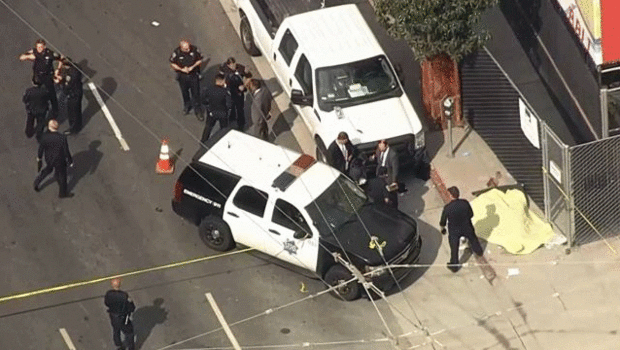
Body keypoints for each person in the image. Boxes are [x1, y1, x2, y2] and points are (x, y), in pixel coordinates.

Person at [439, 186, 484, 272]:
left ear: (451, 195)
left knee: (454, 248)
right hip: (467, 226)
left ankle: (454, 265)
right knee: (473, 239)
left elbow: (442, 222)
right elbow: (471, 214)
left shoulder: (448, 208)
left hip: (454, 230)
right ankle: (479, 251)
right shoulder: (465, 203)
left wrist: (442, 229)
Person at [19, 39, 62, 118]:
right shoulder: (35, 51)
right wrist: (25, 55)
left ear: (44, 47)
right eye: (38, 47)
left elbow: (61, 59)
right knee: (38, 92)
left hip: (47, 77)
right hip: (38, 76)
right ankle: (41, 105)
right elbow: (29, 53)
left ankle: (55, 110)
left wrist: (58, 70)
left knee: (52, 93)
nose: (39, 49)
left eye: (41, 47)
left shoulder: (50, 54)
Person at [34, 119, 74, 198]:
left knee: (47, 170)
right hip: (59, 160)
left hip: (49, 158)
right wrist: (70, 161)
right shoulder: (62, 138)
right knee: (62, 176)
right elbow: (66, 151)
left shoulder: (45, 137)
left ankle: (37, 182)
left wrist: (39, 158)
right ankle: (62, 193)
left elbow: (41, 149)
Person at [169, 40, 203, 120]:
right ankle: (187, 106)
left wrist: (192, 67)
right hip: (183, 76)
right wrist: (181, 69)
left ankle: (198, 110)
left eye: (188, 48)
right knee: (185, 92)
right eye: (186, 49)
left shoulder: (194, 50)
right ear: (181, 48)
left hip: (193, 75)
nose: (188, 50)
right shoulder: (177, 53)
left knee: (196, 93)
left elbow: (200, 60)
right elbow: (172, 64)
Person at [104, 278, 136, 350]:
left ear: (112, 285)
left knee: (116, 330)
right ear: (120, 285)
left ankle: (118, 345)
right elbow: (132, 307)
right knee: (129, 333)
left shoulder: (108, 294)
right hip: (123, 317)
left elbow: (106, 303)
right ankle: (131, 348)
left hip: (113, 316)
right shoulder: (124, 295)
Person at [55, 57, 83, 134]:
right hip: (77, 92)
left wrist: (60, 81)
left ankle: (74, 128)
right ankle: (78, 124)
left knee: (72, 112)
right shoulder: (75, 69)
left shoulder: (71, 75)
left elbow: (67, 86)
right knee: (77, 110)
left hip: (73, 95)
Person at [201, 73, 231, 142]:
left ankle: (203, 141)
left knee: (208, 127)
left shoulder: (209, 89)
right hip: (222, 113)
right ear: (222, 81)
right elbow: (229, 104)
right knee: (224, 128)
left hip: (211, 112)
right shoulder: (225, 91)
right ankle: (224, 141)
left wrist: (208, 106)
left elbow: (203, 99)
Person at [220, 57, 248, 130]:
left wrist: (244, 85)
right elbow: (221, 74)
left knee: (240, 108)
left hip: (239, 93)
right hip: (230, 92)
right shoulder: (224, 68)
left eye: (234, 64)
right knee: (231, 106)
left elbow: (248, 77)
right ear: (228, 65)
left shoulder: (240, 68)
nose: (234, 66)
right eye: (232, 65)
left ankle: (241, 124)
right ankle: (232, 117)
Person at [371, 140, 399, 208]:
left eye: (381, 146)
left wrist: (394, 181)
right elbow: (376, 158)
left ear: (386, 145)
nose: (380, 148)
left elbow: (395, 169)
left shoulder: (393, 154)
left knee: (391, 194)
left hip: (388, 175)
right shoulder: (379, 151)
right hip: (380, 174)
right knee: (382, 193)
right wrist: (372, 158)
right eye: (379, 146)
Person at [22, 77, 50, 141]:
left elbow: (25, 99)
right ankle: (39, 135)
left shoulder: (29, 91)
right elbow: (48, 98)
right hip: (42, 110)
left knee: (30, 121)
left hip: (31, 109)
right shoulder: (44, 91)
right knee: (40, 123)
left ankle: (29, 133)